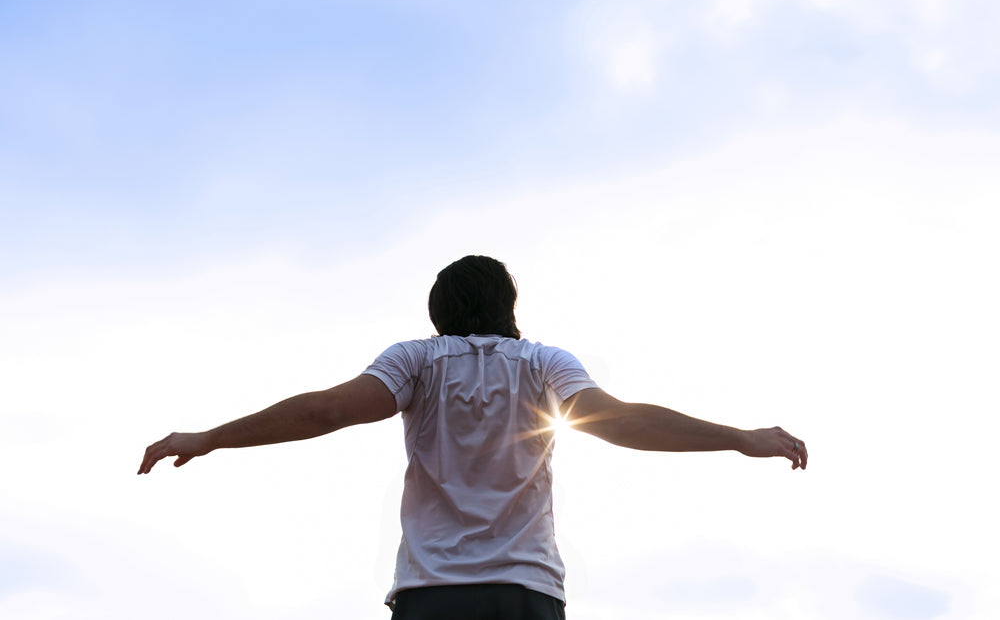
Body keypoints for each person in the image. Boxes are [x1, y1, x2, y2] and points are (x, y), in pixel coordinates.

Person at [138, 255, 807, 619]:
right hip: (523, 596)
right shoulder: (545, 363)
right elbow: (620, 418)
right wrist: (738, 437)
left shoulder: (417, 361)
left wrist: (210, 436)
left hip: (432, 598)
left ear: (439, 313)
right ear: (508, 306)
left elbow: (323, 411)